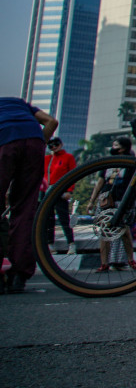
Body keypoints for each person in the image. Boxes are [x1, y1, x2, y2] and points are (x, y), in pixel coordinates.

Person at [0, 97, 57, 293]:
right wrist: (42, 144)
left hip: (4, 141)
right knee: (25, 210)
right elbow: (51, 122)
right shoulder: (20, 104)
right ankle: (19, 276)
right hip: (34, 142)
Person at [87, 137, 136, 272]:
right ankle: (104, 263)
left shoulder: (130, 163)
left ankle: (130, 259)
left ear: (122, 148)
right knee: (104, 231)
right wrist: (92, 200)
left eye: (115, 145)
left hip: (122, 200)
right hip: (106, 199)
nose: (113, 147)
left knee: (124, 230)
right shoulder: (109, 162)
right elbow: (100, 182)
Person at [43, 137, 77, 255]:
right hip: (47, 190)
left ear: (61, 144)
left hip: (61, 190)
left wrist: (69, 190)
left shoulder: (68, 157)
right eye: (50, 145)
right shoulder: (47, 159)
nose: (53, 147)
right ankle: (49, 244)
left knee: (64, 218)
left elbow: (72, 174)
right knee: (48, 218)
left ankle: (71, 244)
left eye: (56, 144)